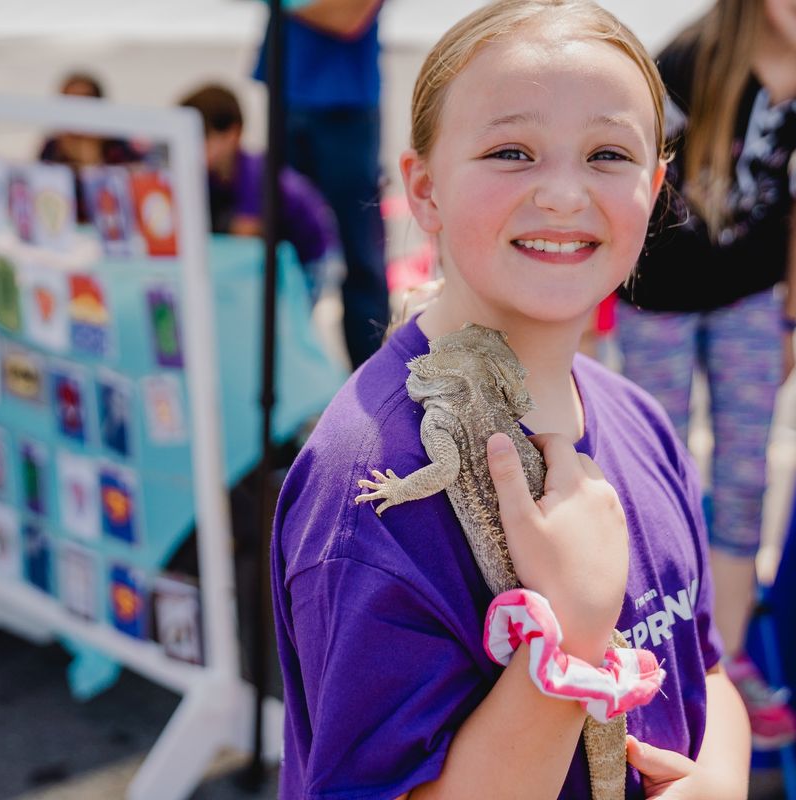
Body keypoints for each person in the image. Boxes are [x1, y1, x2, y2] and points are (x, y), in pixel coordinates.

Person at [271, 2, 750, 797]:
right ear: (423, 190)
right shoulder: (364, 489)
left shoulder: (642, 421)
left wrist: (721, 781)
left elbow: (704, 666)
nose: (564, 194)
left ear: (656, 188)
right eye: (511, 151)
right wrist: (573, 636)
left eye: (607, 153)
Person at [614, 0, 796, 750]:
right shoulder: (686, 63)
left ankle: (720, 658)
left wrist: (791, 316)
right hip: (656, 300)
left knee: (744, 478)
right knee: (649, 473)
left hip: (753, 304)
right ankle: (650, 651)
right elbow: (621, 172)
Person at [254, 0, 390, 368]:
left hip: (346, 109)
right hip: (286, 95)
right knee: (280, 253)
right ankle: (289, 379)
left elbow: (349, 17)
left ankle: (376, 390)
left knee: (359, 258)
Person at [178, 84, 340, 300]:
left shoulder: (254, 173)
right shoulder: (212, 176)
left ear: (232, 134)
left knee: (290, 317)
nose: (192, 147)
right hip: (285, 255)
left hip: (314, 256)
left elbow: (245, 232)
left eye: (203, 137)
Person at [37, 72, 143, 221]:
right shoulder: (53, 147)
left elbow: (132, 197)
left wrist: (93, 165)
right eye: (70, 101)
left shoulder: (119, 146)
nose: (78, 109)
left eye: (85, 100)